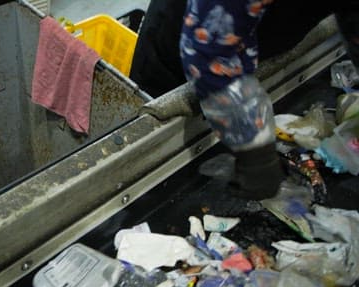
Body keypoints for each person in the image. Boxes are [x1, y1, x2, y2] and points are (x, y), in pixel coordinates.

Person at [130, 0, 359, 200]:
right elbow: (212, 46)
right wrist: (255, 150)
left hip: (269, 31)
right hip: (190, 43)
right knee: (160, 174)